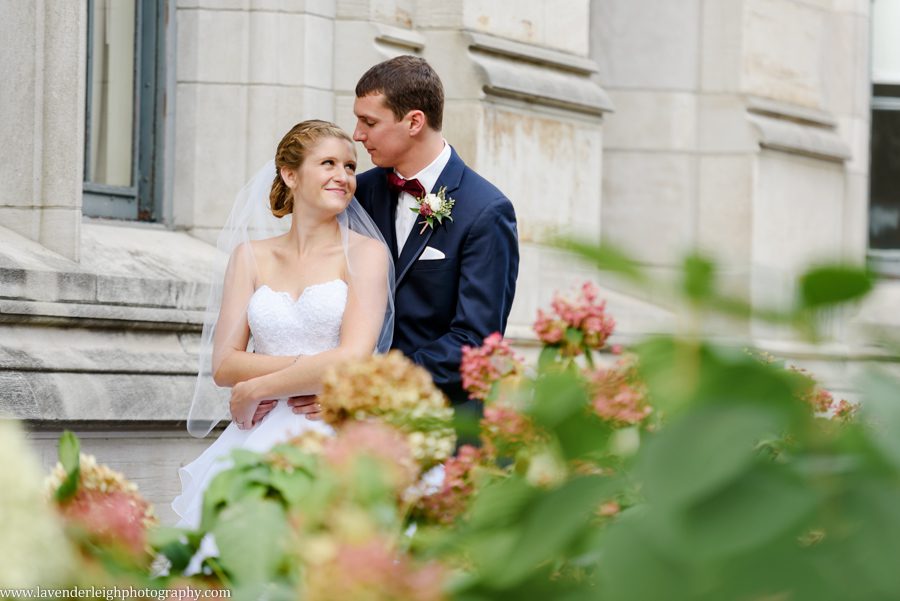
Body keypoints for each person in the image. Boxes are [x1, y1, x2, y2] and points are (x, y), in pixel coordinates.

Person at [173, 120, 393, 530]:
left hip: (329, 430)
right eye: (328, 163)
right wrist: (312, 369)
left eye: (349, 166)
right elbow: (224, 365)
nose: (343, 177)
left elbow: (354, 357)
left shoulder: (367, 254)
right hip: (256, 434)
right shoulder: (250, 257)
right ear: (290, 175)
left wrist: (256, 387)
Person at [290, 55, 519, 419]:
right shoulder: (356, 193)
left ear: (414, 121)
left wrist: (368, 387)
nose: (358, 134)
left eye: (369, 122)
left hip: (435, 420)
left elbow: (475, 342)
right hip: (335, 413)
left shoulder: (486, 211)